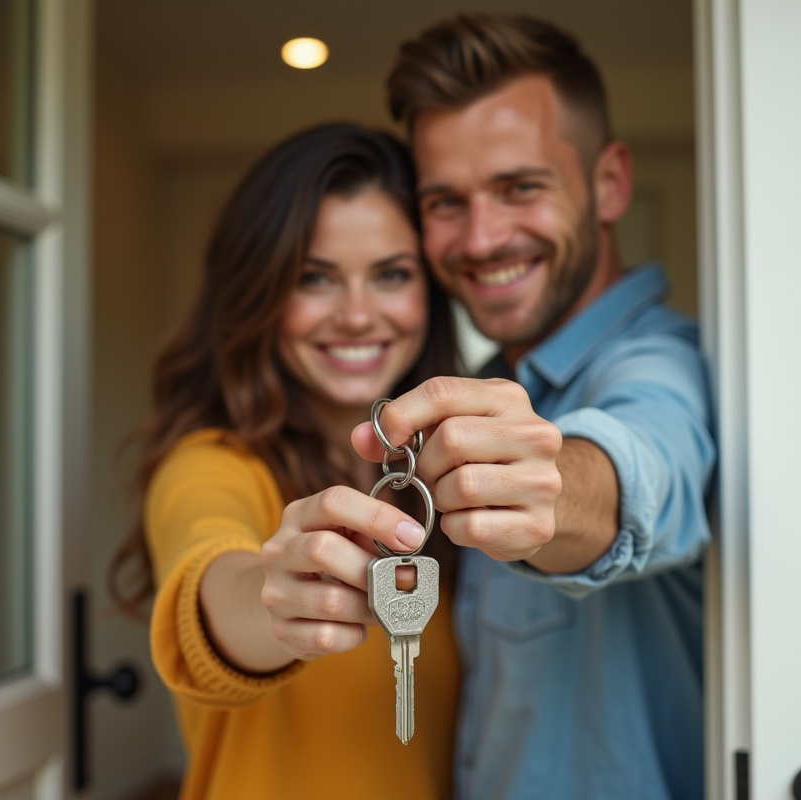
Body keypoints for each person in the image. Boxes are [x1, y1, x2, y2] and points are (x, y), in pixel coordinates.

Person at [271, 15, 717, 800]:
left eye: (520, 188)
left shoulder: (663, 362)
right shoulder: (485, 393)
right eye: (446, 202)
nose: (481, 239)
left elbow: (642, 459)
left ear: (610, 182)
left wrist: (560, 487)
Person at [109, 123, 461, 800]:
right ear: (259, 292)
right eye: (314, 278)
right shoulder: (211, 464)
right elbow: (213, 576)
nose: (358, 316)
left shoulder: (443, 476)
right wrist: (274, 597)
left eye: (391, 274)